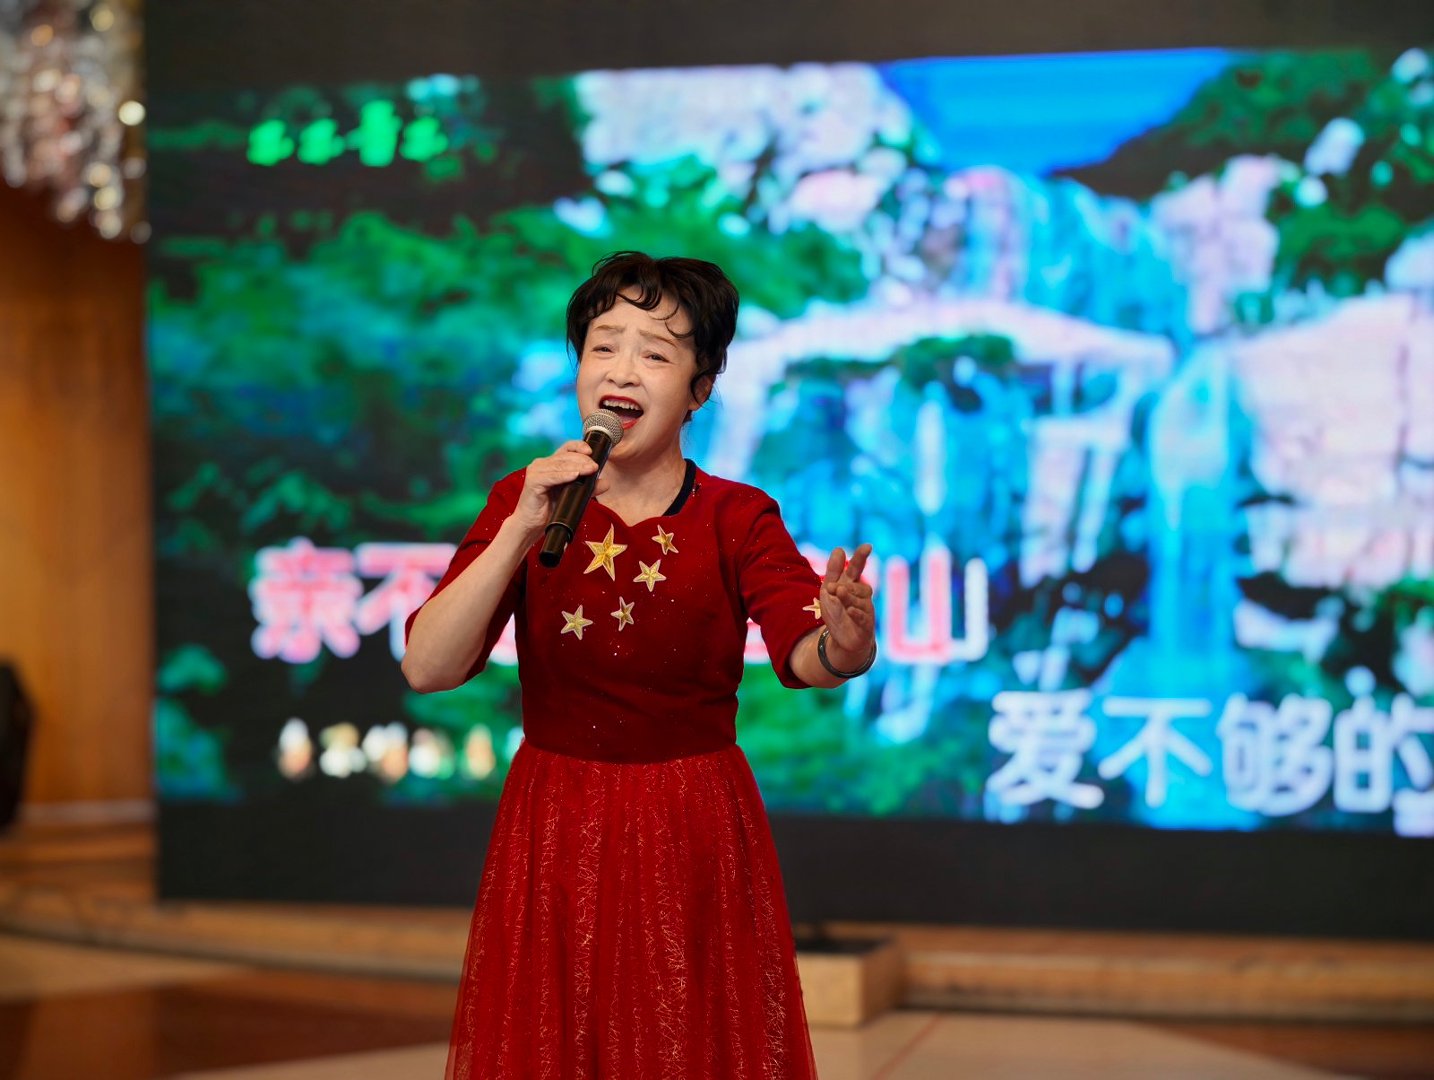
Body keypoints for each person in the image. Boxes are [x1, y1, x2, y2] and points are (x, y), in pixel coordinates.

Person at [402, 251, 877, 1079]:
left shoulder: (737, 516)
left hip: (691, 822)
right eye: (603, 346)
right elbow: (428, 668)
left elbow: (807, 650)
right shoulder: (526, 499)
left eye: (655, 353)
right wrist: (518, 531)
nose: (621, 370)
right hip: (555, 819)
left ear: (700, 388)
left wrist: (845, 640)